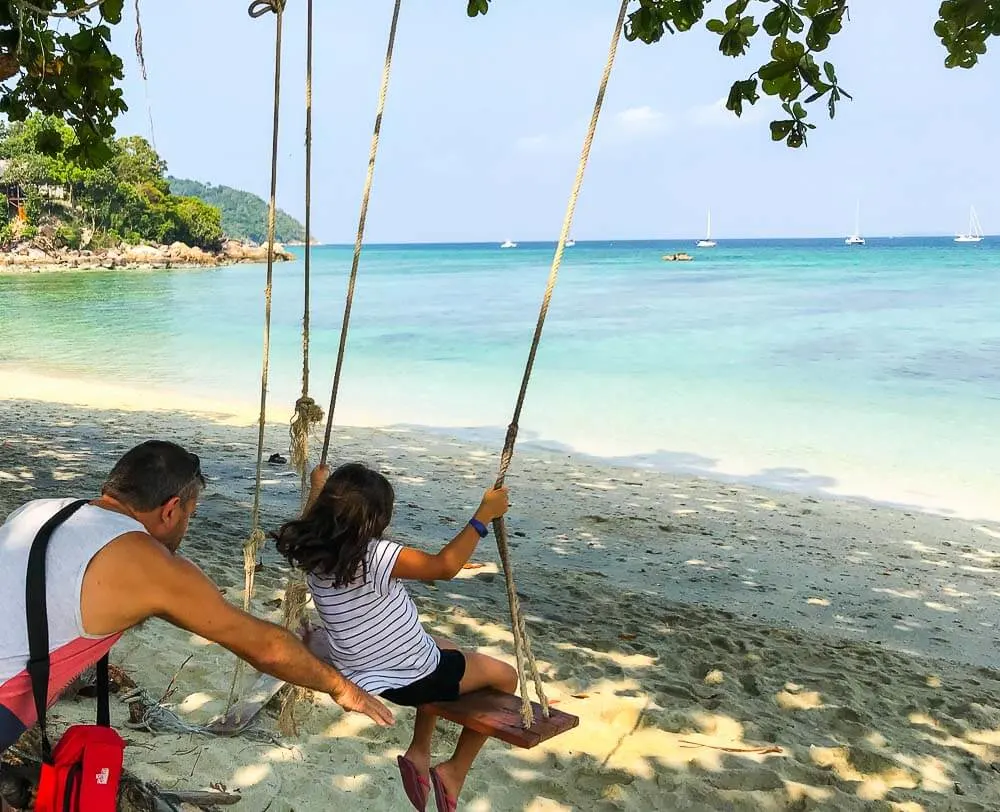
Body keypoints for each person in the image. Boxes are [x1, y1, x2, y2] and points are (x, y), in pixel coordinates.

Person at [0, 441, 394, 760]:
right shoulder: (149, 565)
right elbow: (265, 646)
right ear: (171, 509)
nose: (188, 524)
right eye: (191, 513)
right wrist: (342, 687)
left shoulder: (39, 510)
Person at [273, 462, 517, 812]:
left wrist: (317, 485)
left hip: (367, 674)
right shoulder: (376, 556)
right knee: (505, 676)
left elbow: (314, 518)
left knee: (443, 646)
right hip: (416, 674)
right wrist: (483, 515)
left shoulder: (315, 555)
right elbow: (445, 566)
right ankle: (455, 771)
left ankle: (419, 751)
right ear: (375, 522)